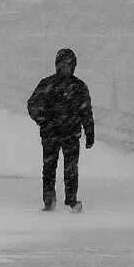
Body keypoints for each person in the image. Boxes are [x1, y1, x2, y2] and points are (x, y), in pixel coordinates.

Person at [27, 49, 95, 212]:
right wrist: (42, 121)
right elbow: (32, 104)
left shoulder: (79, 86)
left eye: (70, 65)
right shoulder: (47, 84)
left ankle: (71, 200)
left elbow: (86, 111)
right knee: (49, 167)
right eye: (63, 64)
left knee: (71, 168)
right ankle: (49, 201)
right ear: (57, 65)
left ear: (74, 66)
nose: (67, 67)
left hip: (71, 133)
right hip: (51, 133)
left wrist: (89, 131)